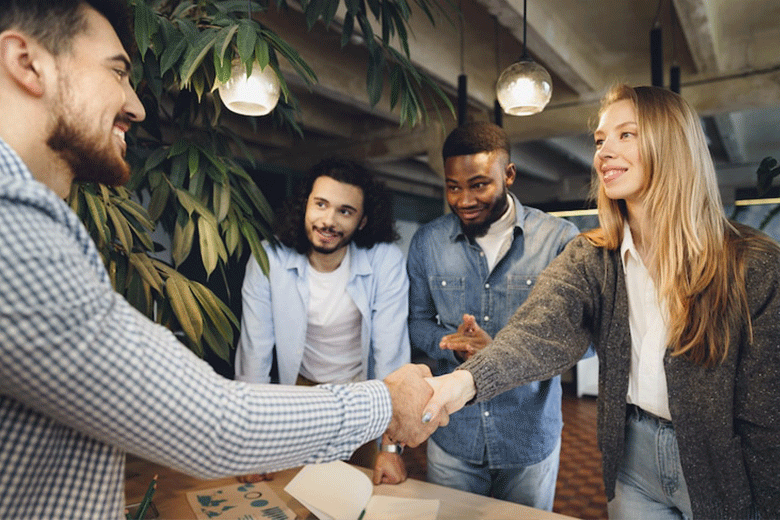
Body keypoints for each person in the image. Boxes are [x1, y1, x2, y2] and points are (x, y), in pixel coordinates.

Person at [0, 2, 442, 518]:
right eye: (118, 72)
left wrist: (384, 428)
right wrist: (386, 401)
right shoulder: (14, 224)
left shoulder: (30, 216)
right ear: (26, 62)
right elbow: (212, 421)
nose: (137, 106)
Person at [420, 85, 780, 519]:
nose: (604, 151)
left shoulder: (753, 264)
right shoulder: (592, 256)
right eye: (600, 140)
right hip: (632, 457)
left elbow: (767, 416)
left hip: (722, 461)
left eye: (625, 134)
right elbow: (539, 330)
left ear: (672, 141)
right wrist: (458, 385)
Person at [406, 121, 578, 509]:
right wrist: (450, 346)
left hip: (528, 439)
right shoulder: (428, 242)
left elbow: (582, 343)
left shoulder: (558, 241)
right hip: (453, 438)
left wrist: (499, 351)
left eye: (479, 184)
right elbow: (416, 323)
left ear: (509, 175)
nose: (464, 199)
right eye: (453, 186)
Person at [235, 158, 411, 484]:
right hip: (301, 393)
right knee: (296, 489)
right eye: (321, 204)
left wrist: (391, 449)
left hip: (362, 395)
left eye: (345, 211)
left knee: (361, 493)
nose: (328, 220)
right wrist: (251, 444)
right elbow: (254, 352)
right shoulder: (269, 257)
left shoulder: (385, 260)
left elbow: (391, 353)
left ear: (362, 221)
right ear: (305, 206)